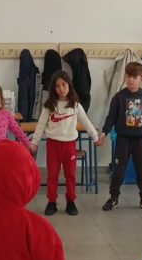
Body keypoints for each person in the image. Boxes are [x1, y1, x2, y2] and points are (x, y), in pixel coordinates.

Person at [30, 71, 102, 216]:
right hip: (53, 145)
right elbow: (41, 125)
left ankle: (71, 201)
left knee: (70, 175)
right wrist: (34, 142)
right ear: (53, 89)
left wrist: (96, 137)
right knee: (52, 175)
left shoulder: (75, 105)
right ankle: (51, 201)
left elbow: (87, 123)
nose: (61, 88)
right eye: (57, 86)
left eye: (64, 85)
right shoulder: (49, 106)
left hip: (69, 146)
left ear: (69, 85)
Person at [102, 62, 142, 212]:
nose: (131, 80)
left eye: (134, 77)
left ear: (141, 78)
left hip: (141, 140)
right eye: (128, 76)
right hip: (123, 139)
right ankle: (113, 198)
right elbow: (111, 117)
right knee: (118, 170)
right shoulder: (119, 97)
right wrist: (103, 133)